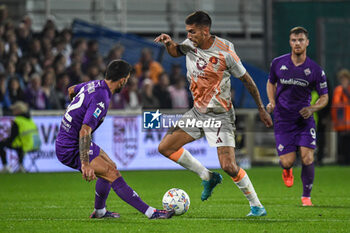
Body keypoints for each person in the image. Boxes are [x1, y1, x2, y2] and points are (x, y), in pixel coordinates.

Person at [154, 11, 272, 217]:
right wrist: (168, 43)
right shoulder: (191, 43)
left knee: (229, 166)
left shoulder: (226, 53)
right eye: (187, 32)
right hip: (197, 113)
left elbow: (248, 81)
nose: (189, 36)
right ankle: (207, 176)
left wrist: (261, 109)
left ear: (205, 31)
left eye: (192, 32)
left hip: (220, 115)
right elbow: (176, 52)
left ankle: (257, 206)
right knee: (165, 147)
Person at [55, 59, 174, 219]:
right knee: (112, 173)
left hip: (71, 141)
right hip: (70, 147)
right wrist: (85, 164)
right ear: (123, 80)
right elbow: (84, 131)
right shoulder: (101, 98)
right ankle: (151, 213)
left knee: (111, 166)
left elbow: (71, 90)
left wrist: (74, 112)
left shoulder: (94, 84)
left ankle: (100, 212)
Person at [266, 26, 329, 206]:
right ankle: (287, 170)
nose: (297, 43)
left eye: (301, 40)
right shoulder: (278, 63)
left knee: (308, 157)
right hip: (283, 119)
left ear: (307, 42)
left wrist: (312, 109)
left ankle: (306, 196)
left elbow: (325, 96)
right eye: (294, 40)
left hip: (304, 119)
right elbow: (271, 83)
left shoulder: (315, 70)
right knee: (287, 162)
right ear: (290, 42)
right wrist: (271, 101)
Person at [0, 101, 41, 173]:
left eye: (14, 110)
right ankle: (21, 166)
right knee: (19, 145)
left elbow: (13, 136)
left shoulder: (18, 121)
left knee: (1, 145)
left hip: (24, 145)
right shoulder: (30, 120)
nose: (12, 111)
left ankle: (6, 166)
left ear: (18, 110)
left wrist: (5, 141)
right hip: (34, 145)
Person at [331, 68, 350, 165]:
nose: (344, 81)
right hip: (341, 122)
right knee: (341, 143)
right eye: (342, 79)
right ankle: (341, 161)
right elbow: (335, 105)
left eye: (345, 78)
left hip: (348, 121)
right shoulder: (338, 90)